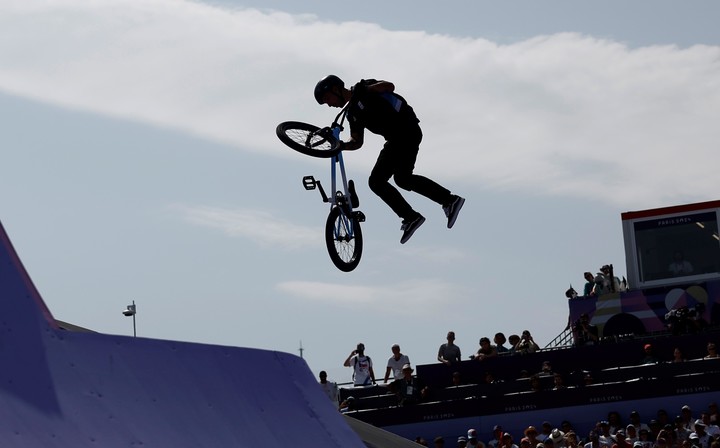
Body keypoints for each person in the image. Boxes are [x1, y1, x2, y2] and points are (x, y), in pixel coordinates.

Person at [313, 75, 466, 244]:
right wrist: (341, 145)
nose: (329, 104)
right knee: (403, 179)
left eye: (328, 99)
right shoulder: (352, 114)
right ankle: (448, 201)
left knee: (376, 182)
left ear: (336, 89)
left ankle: (414, 216)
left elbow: (389, 86)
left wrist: (365, 90)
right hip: (396, 139)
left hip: (406, 131)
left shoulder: (362, 88)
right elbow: (357, 141)